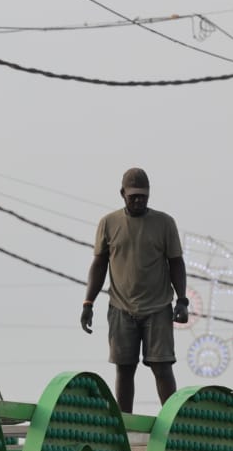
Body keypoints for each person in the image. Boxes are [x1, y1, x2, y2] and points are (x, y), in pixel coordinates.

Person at [80, 167, 190, 413]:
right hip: (121, 307)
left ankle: (172, 420)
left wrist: (182, 300)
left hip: (157, 306)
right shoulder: (109, 223)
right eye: (133, 196)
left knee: (162, 366)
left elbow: (176, 263)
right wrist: (88, 303)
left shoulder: (164, 223)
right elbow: (99, 264)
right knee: (125, 367)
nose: (139, 200)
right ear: (122, 194)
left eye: (143, 195)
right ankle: (126, 423)